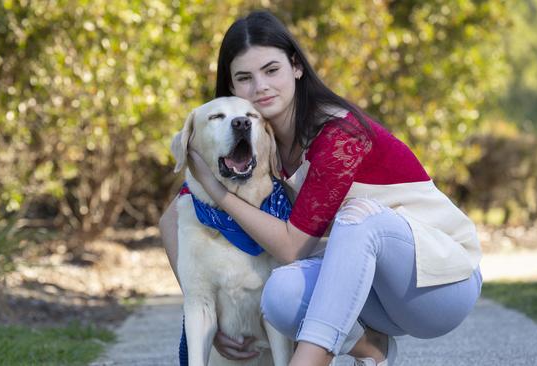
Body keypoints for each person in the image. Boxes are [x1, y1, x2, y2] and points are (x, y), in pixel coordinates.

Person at [159, 10, 482, 366]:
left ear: (296, 66)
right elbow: (173, 218)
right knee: (280, 293)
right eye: (244, 78)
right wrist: (207, 310)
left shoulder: (339, 134)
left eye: (271, 70)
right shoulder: (254, 149)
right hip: (371, 295)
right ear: (233, 88)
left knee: (359, 220)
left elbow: (291, 247)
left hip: (439, 283)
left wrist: (217, 192)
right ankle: (372, 349)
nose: (260, 86)